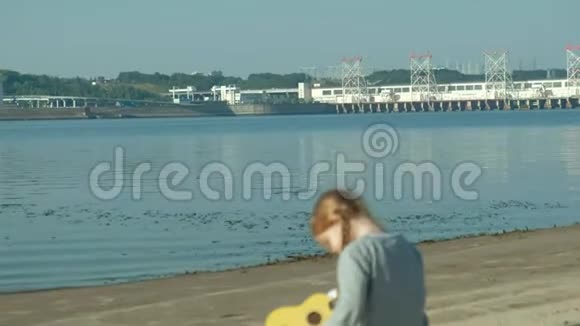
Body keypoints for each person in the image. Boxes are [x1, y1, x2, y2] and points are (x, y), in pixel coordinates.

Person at [310, 189, 428, 326]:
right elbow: (418, 310)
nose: (334, 250)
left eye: (327, 242)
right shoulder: (407, 248)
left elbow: (350, 310)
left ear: (336, 219)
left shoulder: (355, 254)